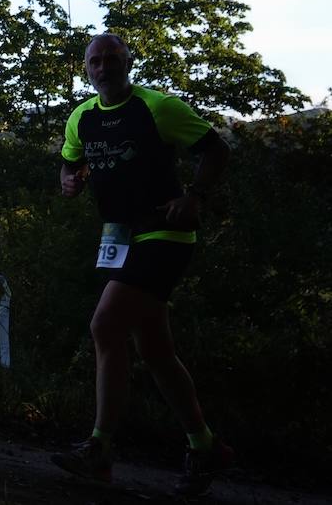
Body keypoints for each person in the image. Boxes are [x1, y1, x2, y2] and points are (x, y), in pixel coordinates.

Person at [51, 33, 233, 496]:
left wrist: (195, 196)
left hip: (164, 233)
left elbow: (215, 149)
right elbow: (69, 165)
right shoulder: (81, 118)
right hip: (118, 238)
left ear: (129, 62)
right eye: (96, 61)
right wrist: (71, 180)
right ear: (85, 69)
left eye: (113, 58)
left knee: (105, 325)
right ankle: (203, 443)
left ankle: (99, 449)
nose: (104, 67)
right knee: (154, 350)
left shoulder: (158, 107)